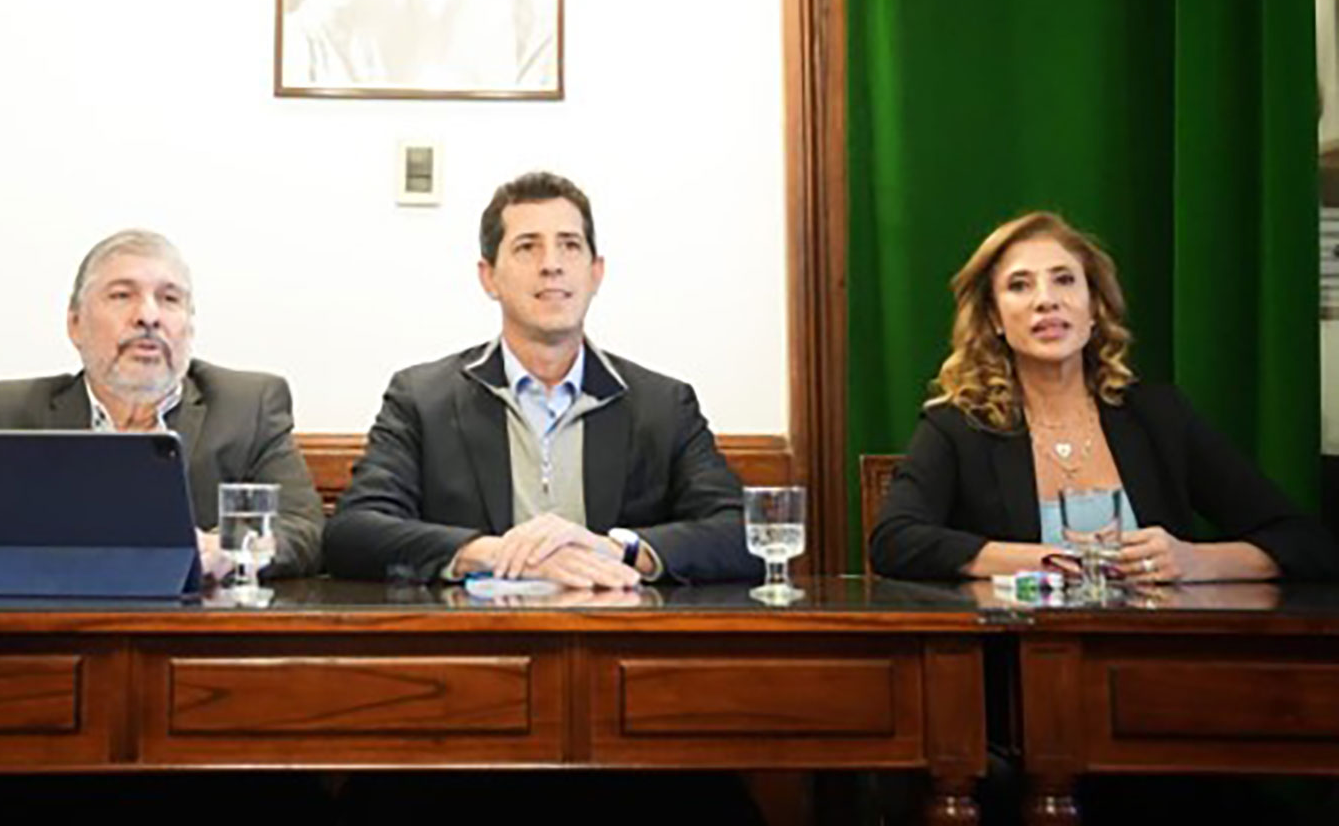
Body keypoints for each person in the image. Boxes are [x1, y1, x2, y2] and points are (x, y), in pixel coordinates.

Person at [324, 171, 762, 587]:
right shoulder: (422, 399)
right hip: (480, 648)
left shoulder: (662, 404)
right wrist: (492, 553)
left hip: (617, 644)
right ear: (489, 277)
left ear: (596, 273)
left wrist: (613, 550)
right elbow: (352, 532)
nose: (552, 264)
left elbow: (745, 535)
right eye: (527, 246)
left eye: (570, 245)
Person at [869, 211, 1339, 582]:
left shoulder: (1158, 415)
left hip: (1159, 663)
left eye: (1065, 279)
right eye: (1019, 285)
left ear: (1094, 307)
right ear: (994, 318)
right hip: (1019, 665)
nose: (1046, 300)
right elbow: (895, 540)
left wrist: (1196, 562)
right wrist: (1041, 560)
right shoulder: (958, 425)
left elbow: (1304, 541)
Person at [0, 229, 324, 580]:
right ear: (75, 324)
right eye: (122, 296)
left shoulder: (247, 405)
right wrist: (30, 556)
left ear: (189, 325)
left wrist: (227, 550)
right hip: (50, 635)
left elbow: (304, 530)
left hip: (193, 636)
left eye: (170, 299)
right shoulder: (5, 410)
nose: (149, 316)